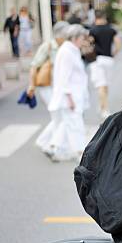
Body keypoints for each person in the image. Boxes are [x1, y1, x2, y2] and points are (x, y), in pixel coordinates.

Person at [46, 24, 90, 162]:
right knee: (75, 124)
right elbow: (63, 77)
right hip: (71, 95)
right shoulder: (67, 52)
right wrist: (69, 98)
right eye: (82, 38)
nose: (84, 41)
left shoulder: (71, 50)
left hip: (74, 94)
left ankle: (53, 147)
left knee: (67, 123)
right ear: (75, 38)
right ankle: (80, 152)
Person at [28, 21, 69, 154]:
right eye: (66, 34)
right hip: (47, 87)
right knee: (59, 115)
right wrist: (31, 85)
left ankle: (44, 141)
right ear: (59, 35)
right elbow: (34, 66)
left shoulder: (65, 47)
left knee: (58, 117)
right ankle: (52, 145)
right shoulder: (48, 46)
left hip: (58, 87)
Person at [89, 10, 122, 118]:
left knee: (101, 86)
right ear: (104, 18)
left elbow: (89, 43)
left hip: (97, 60)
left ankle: (105, 109)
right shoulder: (111, 30)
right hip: (109, 60)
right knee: (105, 85)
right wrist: (113, 53)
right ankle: (102, 104)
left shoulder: (92, 30)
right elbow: (118, 44)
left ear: (95, 18)